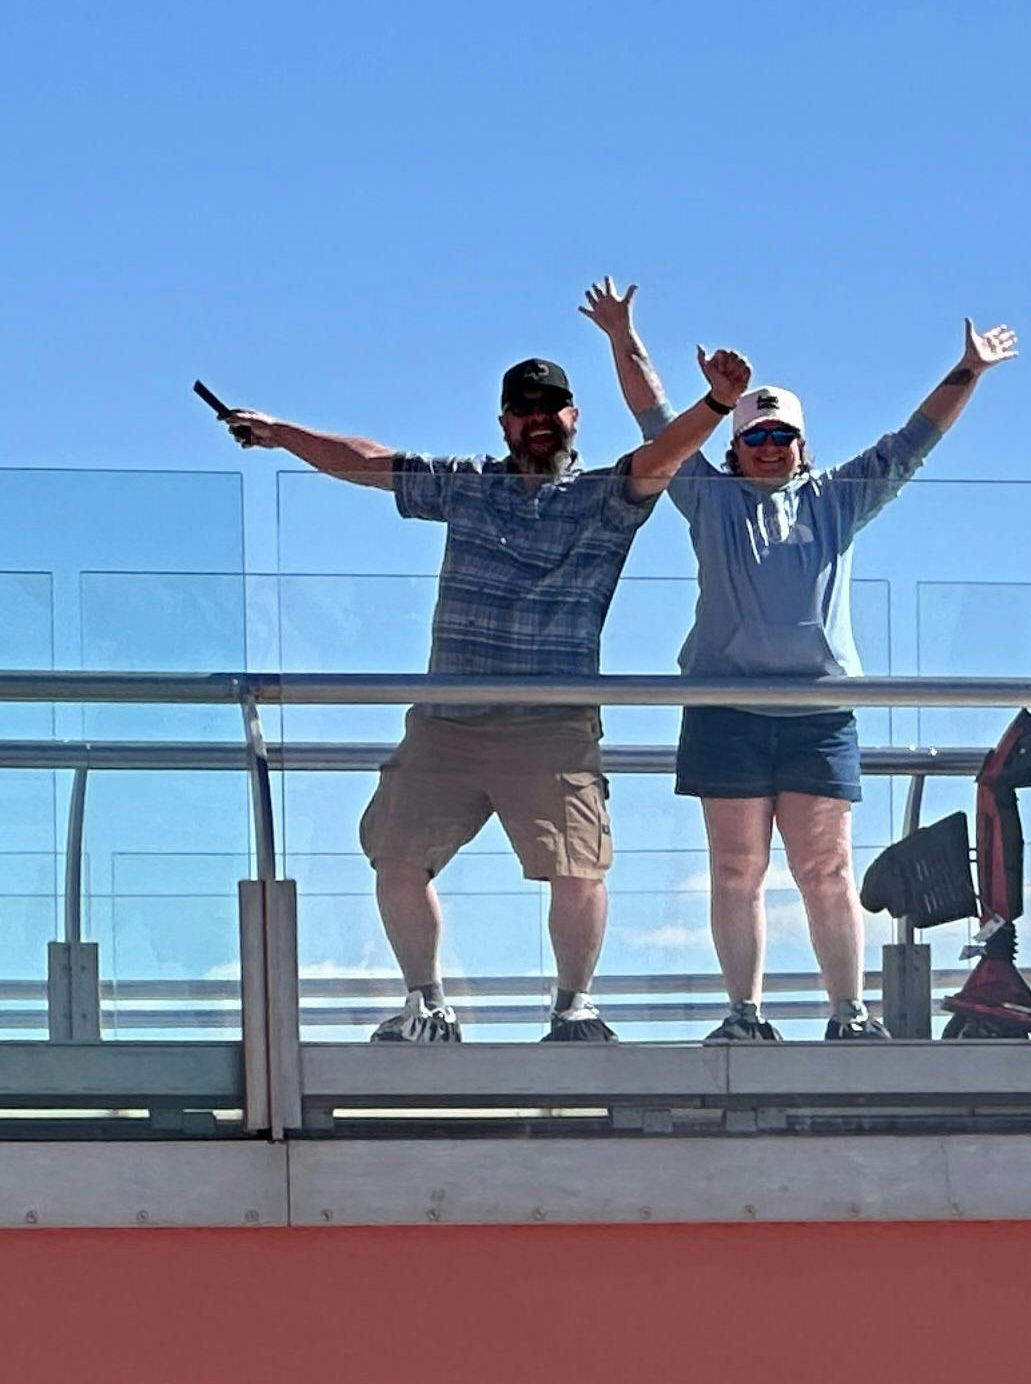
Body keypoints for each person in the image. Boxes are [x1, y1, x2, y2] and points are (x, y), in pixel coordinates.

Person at [216, 345, 750, 1041]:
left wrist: (718, 405)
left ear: (574, 418)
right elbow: (369, 461)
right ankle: (427, 1006)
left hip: (552, 723)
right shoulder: (467, 485)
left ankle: (573, 1009)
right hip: (450, 721)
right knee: (397, 856)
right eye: (523, 410)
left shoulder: (604, 498)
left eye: (550, 408)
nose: (537, 419)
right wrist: (280, 433)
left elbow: (663, 455)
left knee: (578, 867)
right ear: (504, 423)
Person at [583, 282, 1015, 1042]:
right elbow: (656, 419)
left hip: (819, 715)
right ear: (735, 445)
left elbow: (913, 440)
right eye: (756, 435)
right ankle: (744, 1014)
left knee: (827, 868)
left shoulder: (836, 499)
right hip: (725, 711)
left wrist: (969, 369)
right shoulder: (708, 497)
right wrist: (623, 334)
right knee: (735, 869)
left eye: (783, 435)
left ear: (802, 444)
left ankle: (849, 1013)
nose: (770, 446)